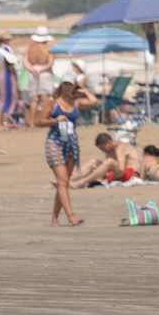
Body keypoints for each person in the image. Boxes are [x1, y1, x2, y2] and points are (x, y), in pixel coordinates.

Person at [45, 78, 99, 227]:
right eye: (65, 84)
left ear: (74, 86)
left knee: (64, 182)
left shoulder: (76, 102)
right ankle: (71, 216)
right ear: (61, 85)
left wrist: (84, 90)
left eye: (70, 84)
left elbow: (94, 101)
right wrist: (55, 120)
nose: (67, 87)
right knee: (62, 181)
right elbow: (39, 120)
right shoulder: (53, 101)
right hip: (54, 142)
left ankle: (55, 218)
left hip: (71, 143)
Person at [72, 132, 146, 187]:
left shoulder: (120, 147)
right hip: (118, 174)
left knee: (109, 162)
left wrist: (107, 176)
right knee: (93, 162)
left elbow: (121, 169)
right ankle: (70, 179)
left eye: (103, 148)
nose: (103, 151)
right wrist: (102, 175)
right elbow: (109, 169)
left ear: (109, 142)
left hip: (131, 174)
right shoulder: (110, 150)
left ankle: (81, 182)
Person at [24, 28, 55, 129]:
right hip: (45, 72)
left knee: (34, 99)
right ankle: (44, 120)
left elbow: (25, 62)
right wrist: (42, 70)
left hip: (33, 71)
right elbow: (50, 62)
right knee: (45, 98)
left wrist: (32, 69)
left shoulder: (30, 47)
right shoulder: (48, 47)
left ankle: (32, 123)